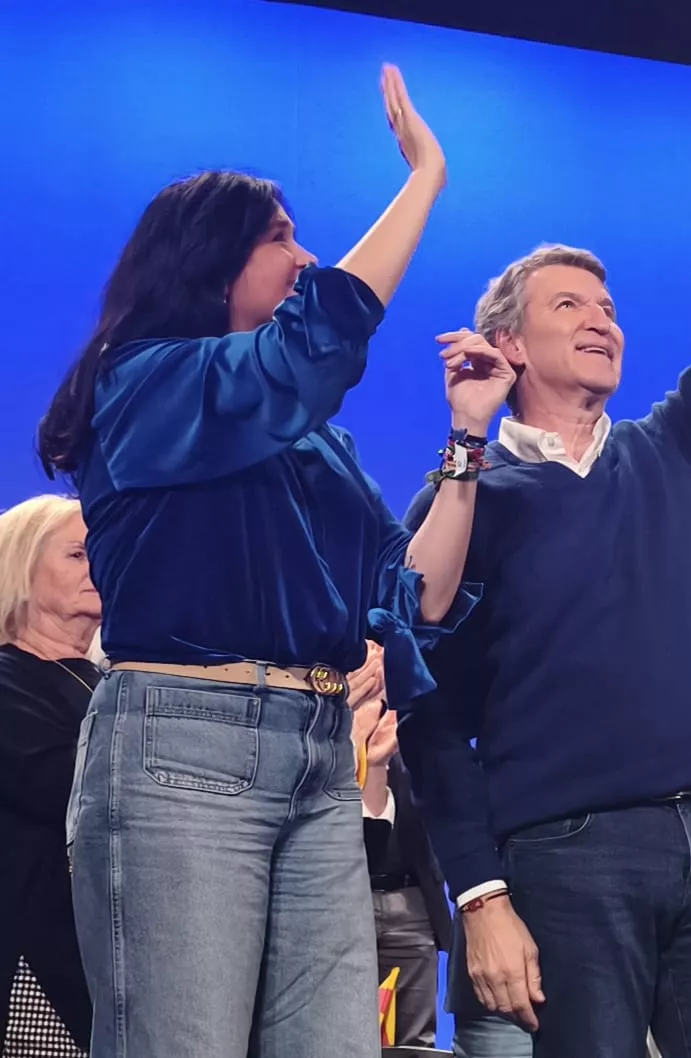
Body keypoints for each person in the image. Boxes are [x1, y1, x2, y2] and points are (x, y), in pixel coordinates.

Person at [394, 9, 691, 1054]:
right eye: (569, 305)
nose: (604, 318)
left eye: (609, 304)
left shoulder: (673, 447)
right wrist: (482, 891)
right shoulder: (471, 495)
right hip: (566, 855)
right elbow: (426, 710)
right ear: (506, 340)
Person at [41, 67, 502, 1058]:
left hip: (318, 754)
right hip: (181, 751)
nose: (306, 255)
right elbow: (310, 347)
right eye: (282, 236)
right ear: (209, 257)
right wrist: (425, 176)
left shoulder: (309, 444)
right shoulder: (145, 383)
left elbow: (408, 589)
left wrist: (466, 443)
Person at [0, 497, 98, 1056]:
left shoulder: (113, 684)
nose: (99, 566)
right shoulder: (9, 680)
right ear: (22, 565)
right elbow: (72, 791)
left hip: (109, 962)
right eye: (78, 553)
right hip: (38, 966)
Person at [349, 640, 451, 1050]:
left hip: (412, 901)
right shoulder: (327, 729)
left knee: (413, 1042)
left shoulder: (414, 727)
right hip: (342, 898)